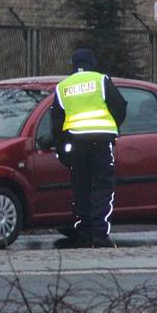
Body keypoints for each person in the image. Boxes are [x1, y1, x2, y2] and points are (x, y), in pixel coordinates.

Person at [50, 48, 127, 248]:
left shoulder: (63, 87)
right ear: (92, 63)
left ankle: (84, 233)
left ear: (73, 64)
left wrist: (61, 148)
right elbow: (120, 105)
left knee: (81, 188)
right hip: (101, 141)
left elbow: (56, 122)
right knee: (103, 186)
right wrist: (113, 127)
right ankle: (100, 234)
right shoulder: (101, 80)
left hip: (76, 144)